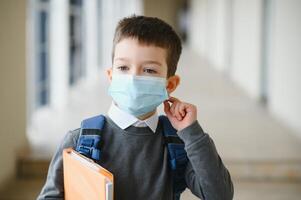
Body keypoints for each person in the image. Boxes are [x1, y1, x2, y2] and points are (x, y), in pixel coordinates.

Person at [37, 15, 234, 200]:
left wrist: (191, 132)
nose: (132, 79)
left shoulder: (178, 143)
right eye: (123, 68)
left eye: (149, 70)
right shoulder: (78, 142)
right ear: (111, 76)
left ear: (170, 84)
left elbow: (219, 195)